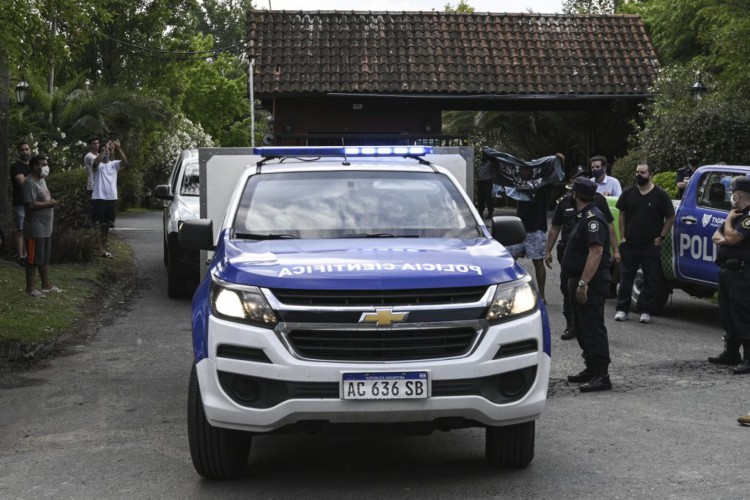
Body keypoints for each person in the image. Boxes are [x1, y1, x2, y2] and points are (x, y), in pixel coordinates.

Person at [545, 167, 619, 340]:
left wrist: (615, 249)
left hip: (591, 255)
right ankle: (572, 325)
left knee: (592, 297)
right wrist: (548, 250)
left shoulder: (598, 203)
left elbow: (609, 226)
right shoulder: (563, 203)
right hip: (569, 254)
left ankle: (590, 330)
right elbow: (555, 227)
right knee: (568, 290)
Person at [561, 177, 613, 392]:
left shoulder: (593, 218)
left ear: (576, 195)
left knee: (592, 327)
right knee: (581, 327)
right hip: (578, 279)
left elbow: (596, 252)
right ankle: (590, 368)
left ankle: (602, 374)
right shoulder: (583, 216)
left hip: (590, 281)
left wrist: (583, 283)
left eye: (571, 192)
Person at [614, 161, 676, 324]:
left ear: (650, 174)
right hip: (630, 244)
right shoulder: (628, 193)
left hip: (650, 244)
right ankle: (622, 309)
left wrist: (661, 236)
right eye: (637, 172)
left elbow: (671, 217)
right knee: (626, 278)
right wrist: (623, 237)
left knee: (650, 279)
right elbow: (622, 214)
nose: (638, 175)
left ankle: (645, 310)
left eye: (642, 173)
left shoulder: (660, 195)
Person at [708, 176, 750, 375]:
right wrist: (729, 227)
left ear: (739, 194)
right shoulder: (736, 214)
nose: (730, 195)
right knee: (727, 313)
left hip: (743, 272)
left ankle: (749, 358)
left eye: (732, 191)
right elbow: (716, 237)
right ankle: (731, 352)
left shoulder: (747, 216)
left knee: (742, 314)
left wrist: (728, 225)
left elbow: (732, 238)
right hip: (727, 271)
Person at [508, 155, 562, 302]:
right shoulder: (518, 184)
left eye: (528, 169)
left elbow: (556, 175)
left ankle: (542, 295)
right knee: (509, 261)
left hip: (537, 229)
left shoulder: (543, 186)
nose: (524, 172)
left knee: (538, 262)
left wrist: (559, 160)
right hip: (518, 229)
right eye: (523, 169)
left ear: (533, 171)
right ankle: (509, 295)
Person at [23, 155, 62, 298]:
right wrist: (49, 204)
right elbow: (30, 204)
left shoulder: (42, 180)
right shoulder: (29, 183)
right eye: (43, 164)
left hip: (46, 228)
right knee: (33, 259)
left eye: (46, 164)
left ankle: (46, 285)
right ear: (35, 166)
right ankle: (30, 288)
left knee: (44, 258)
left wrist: (49, 202)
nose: (46, 167)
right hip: (35, 229)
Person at [92, 139, 127, 258]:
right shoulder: (97, 164)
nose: (105, 152)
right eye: (102, 151)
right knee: (98, 225)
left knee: (106, 225)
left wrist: (118, 149)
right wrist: (104, 150)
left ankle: (103, 247)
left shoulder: (114, 164)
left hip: (111, 198)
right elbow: (96, 163)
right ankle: (99, 248)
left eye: (107, 151)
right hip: (99, 198)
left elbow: (125, 162)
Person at [10, 142, 32, 268]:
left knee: (30, 230)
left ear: (30, 150)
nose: (24, 152)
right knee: (20, 230)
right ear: (19, 152)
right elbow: (23, 183)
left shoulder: (34, 166)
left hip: (33, 202)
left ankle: (27, 256)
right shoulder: (15, 167)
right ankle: (20, 258)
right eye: (22, 150)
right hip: (20, 202)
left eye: (26, 149)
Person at [84, 137, 100, 206]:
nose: (96, 145)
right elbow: (97, 163)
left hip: (99, 184)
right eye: (94, 143)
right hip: (93, 185)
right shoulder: (89, 156)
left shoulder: (99, 155)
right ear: (90, 145)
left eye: (97, 143)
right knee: (95, 207)